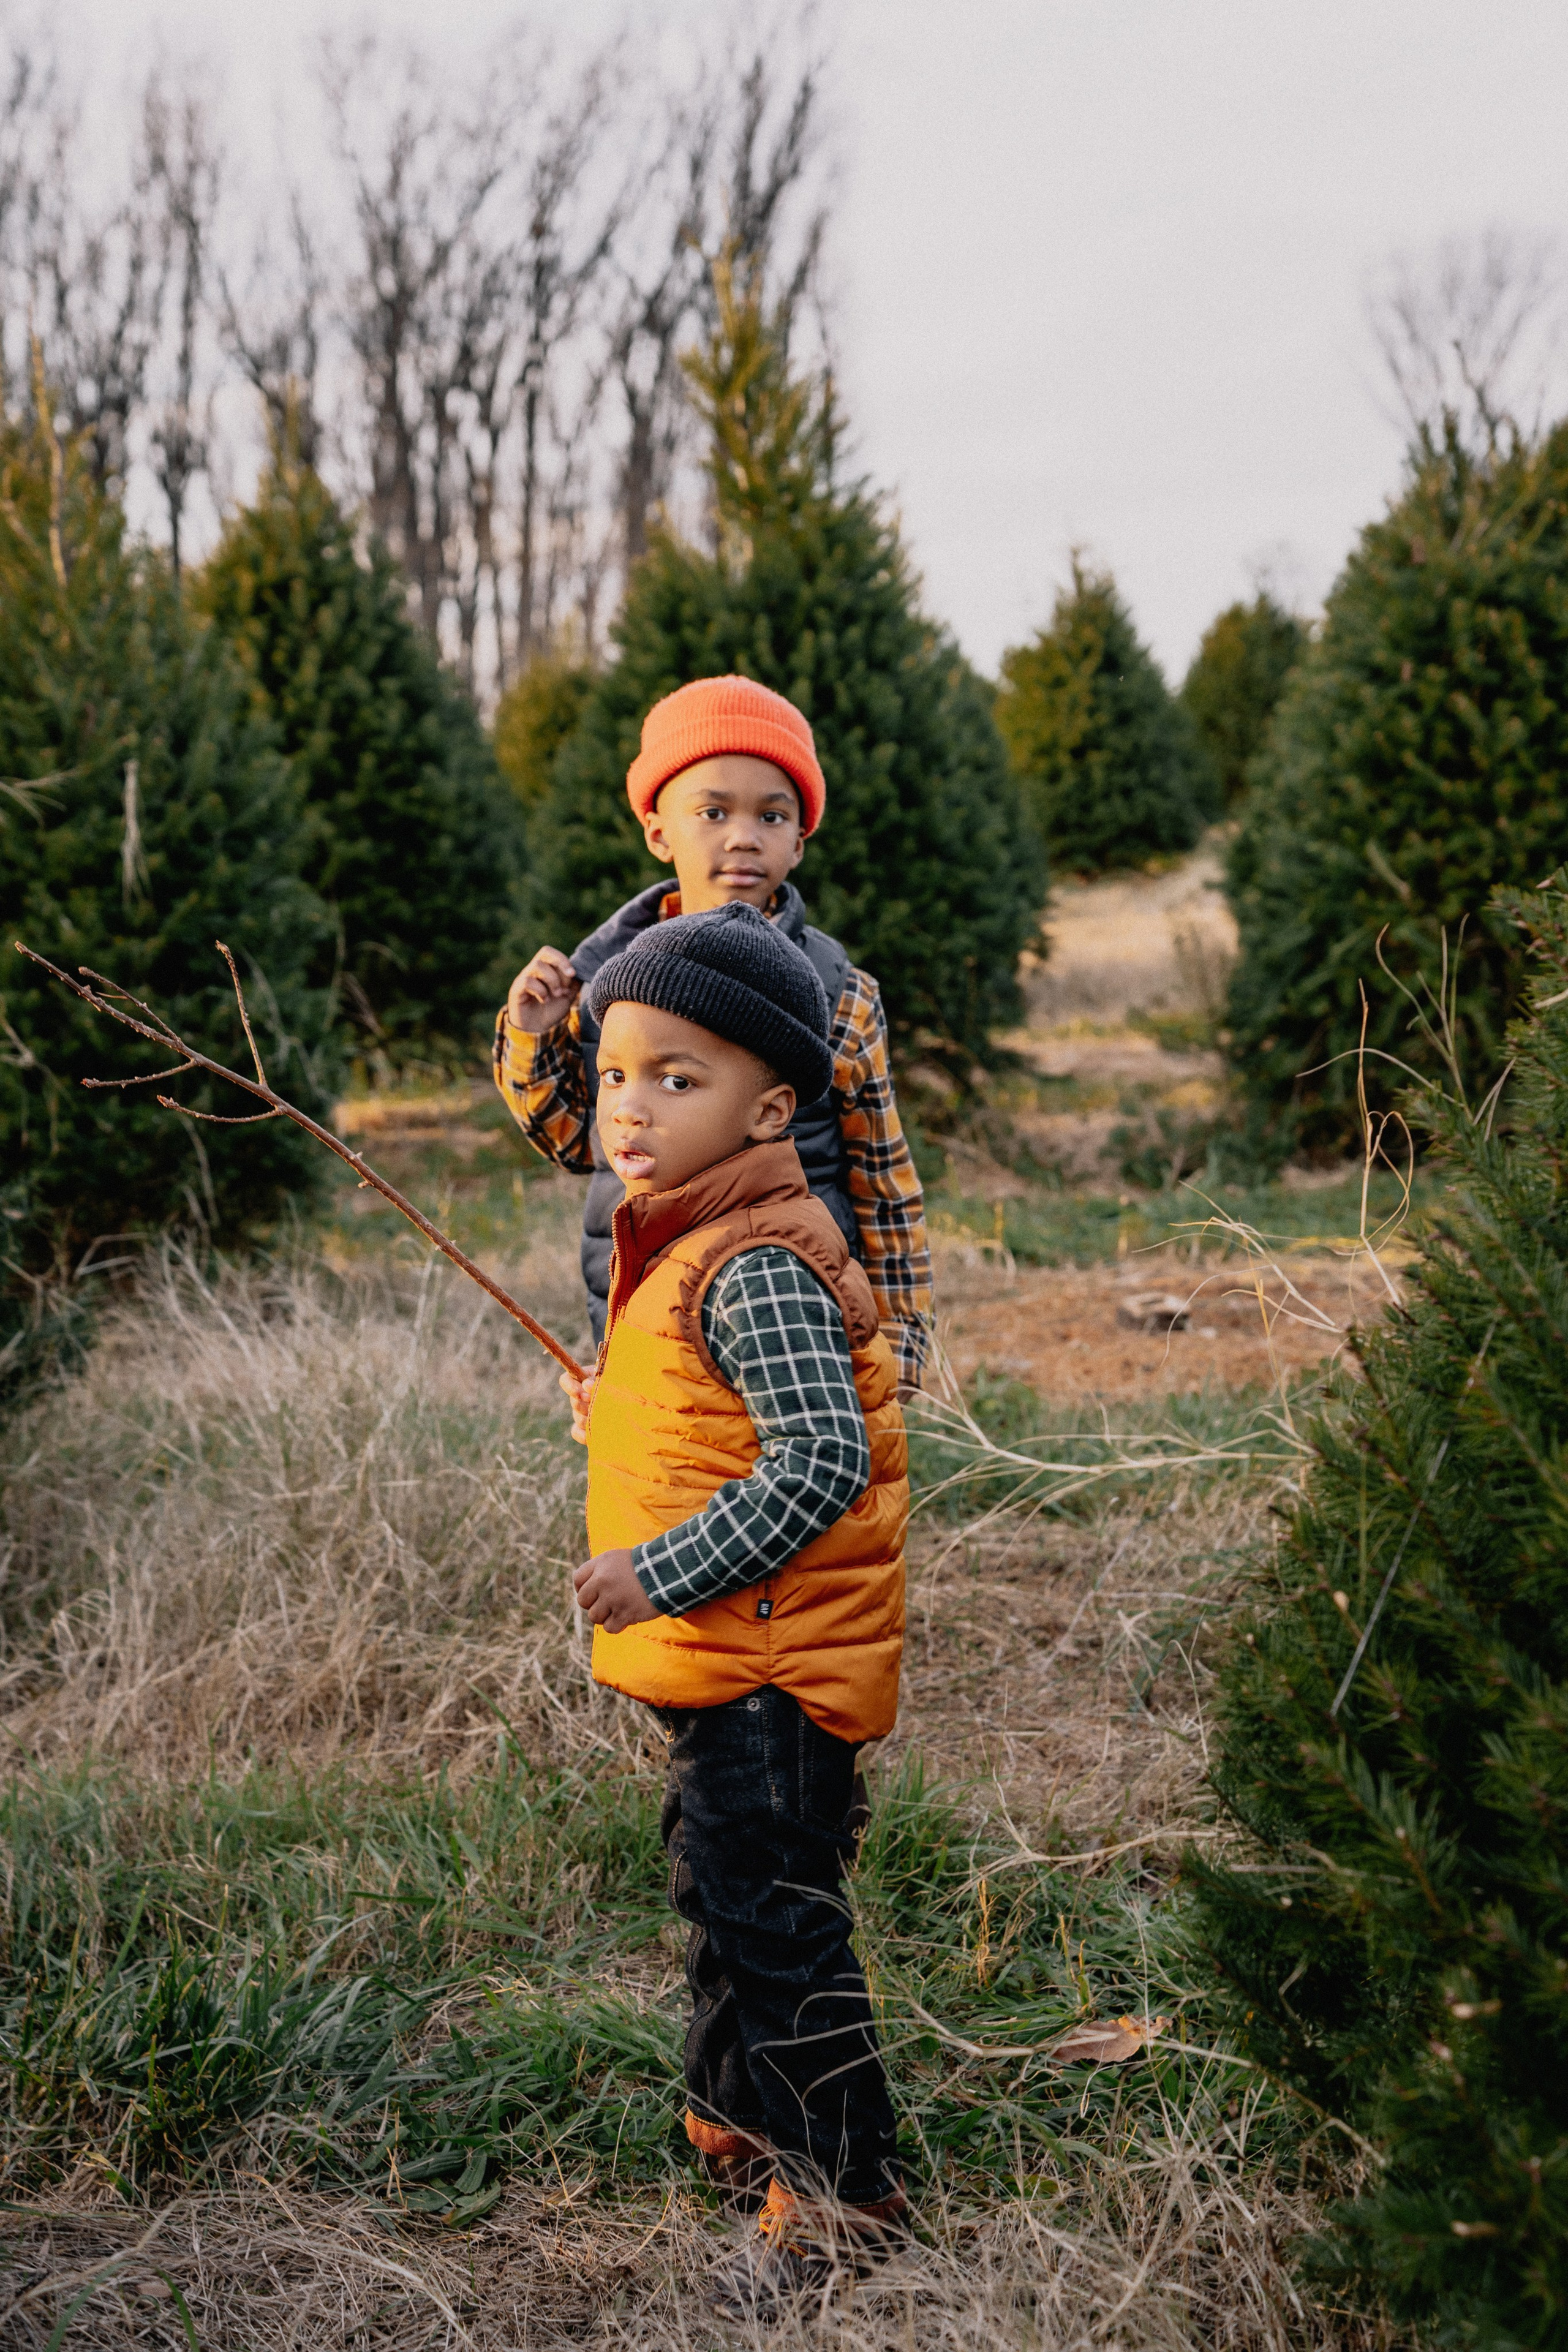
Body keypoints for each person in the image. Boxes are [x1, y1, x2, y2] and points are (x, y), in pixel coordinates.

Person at [564, 899, 910, 2312]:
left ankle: (840, 2188)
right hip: (734, 1661)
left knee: (771, 1911)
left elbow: (817, 1458)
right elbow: (715, 1414)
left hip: (770, 1663)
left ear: (768, 1107)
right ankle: (735, 2109)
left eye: (675, 1078)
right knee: (717, 1883)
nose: (630, 1108)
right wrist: (620, 1405)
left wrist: (657, 1571)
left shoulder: (754, 1259)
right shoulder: (688, 1235)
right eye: (612, 1076)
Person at [494, 673, 933, 1393]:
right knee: (657, 1489)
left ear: (800, 840)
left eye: (771, 816)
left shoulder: (840, 993)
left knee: (799, 1487)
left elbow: (883, 1180)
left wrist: (902, 1343)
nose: (742, 837)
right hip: (645, 1313)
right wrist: (532, 1037)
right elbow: (578, 1142)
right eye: (712, 811)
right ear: (658, 831)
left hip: (797, 1316)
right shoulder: (602, 980)